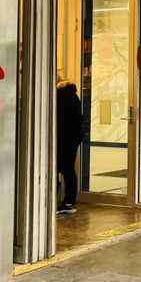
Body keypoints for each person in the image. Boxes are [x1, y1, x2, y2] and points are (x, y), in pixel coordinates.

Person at [56, 78, 83, 215]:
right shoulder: (73, 95)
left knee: (58, 168)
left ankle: (62, 201)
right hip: (72, 139)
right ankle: (69, 201)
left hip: (61, 138)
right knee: (68, 170)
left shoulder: (59, 95)